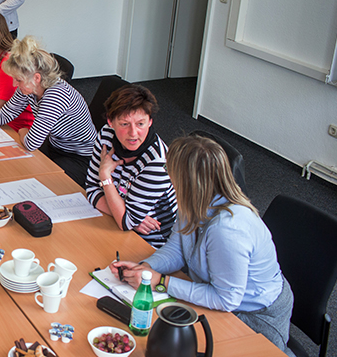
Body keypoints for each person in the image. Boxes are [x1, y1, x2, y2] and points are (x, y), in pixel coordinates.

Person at [111, 135, 295, 356]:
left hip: (253, 316)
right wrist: (147, 269)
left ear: (189, 183)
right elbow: (176, 250)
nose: (169, 181)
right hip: (218, 297)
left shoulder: (228, 230)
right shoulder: (193, 201)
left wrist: (162, 282)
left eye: (173, 176)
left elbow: (225, 299)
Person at [0, 36, 96, 184]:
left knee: (41, 180)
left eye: (18, 80)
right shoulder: (30, 87)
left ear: (36, 78)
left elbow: (31, 142)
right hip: (56, 146)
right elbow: (2, 116)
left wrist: (23, 131)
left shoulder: (55, 96)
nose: (14, 83)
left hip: (80, 158)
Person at [84, 84, 177, 248]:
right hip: (117, 225)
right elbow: (91, 189)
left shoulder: (157, 162)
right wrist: (124, 216)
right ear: (111, 122)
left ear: (150, 121)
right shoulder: (106, 135)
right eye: (124, 124)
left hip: (151, 243)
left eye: (141, 124)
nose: (133, 133)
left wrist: (105, 176)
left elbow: (125, 221)